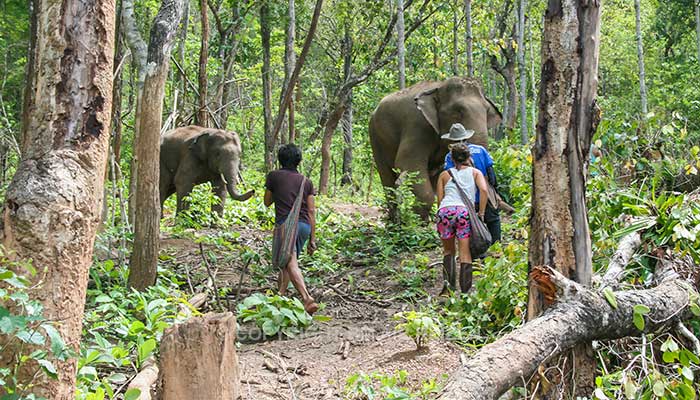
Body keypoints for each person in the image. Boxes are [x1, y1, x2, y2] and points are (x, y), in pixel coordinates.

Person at [264, 144, 318, 314]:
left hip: (286, 226)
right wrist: (312, 239)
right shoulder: (306, 181)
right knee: (287, 263)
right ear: (298, 160)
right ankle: (280, 295)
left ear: (280, 159)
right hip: (304, 227)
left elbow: (267, 202)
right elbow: (311, 211)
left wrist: (277, 192)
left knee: (290, 262)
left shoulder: (274, 176)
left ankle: (306, 297)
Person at [436, 143, 489, 293]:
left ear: (452, 158)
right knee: (465, 252)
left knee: (448, 251)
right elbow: (484, 190)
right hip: (463, 213)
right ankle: (465, 292)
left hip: (445, 211)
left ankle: (448, 289)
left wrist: (443, 214)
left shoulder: (444, 175)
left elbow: (440, 200)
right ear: (469, 157)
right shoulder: (475, 173)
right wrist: (481, 212)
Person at [443, 123, 502, 243]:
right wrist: (494, 190)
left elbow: (450, 177)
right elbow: (491, 173)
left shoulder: (450, 156)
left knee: (469, 225)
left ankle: (476, 251)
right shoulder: (480, 150)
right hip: (484, 193)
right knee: (493, 220)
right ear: (466, 136)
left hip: (464, 197)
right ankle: (497, 247)